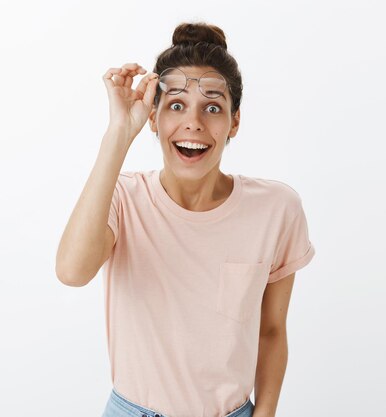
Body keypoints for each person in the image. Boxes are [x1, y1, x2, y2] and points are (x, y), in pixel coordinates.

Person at [56, 21, 315, 417]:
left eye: (213, 107)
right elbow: (72, 272)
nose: (193, 122)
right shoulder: (122, 196)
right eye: (176, 105)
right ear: (154, 118)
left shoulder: (277, 208)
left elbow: (272, 330)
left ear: (235, 121)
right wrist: (119, 133)